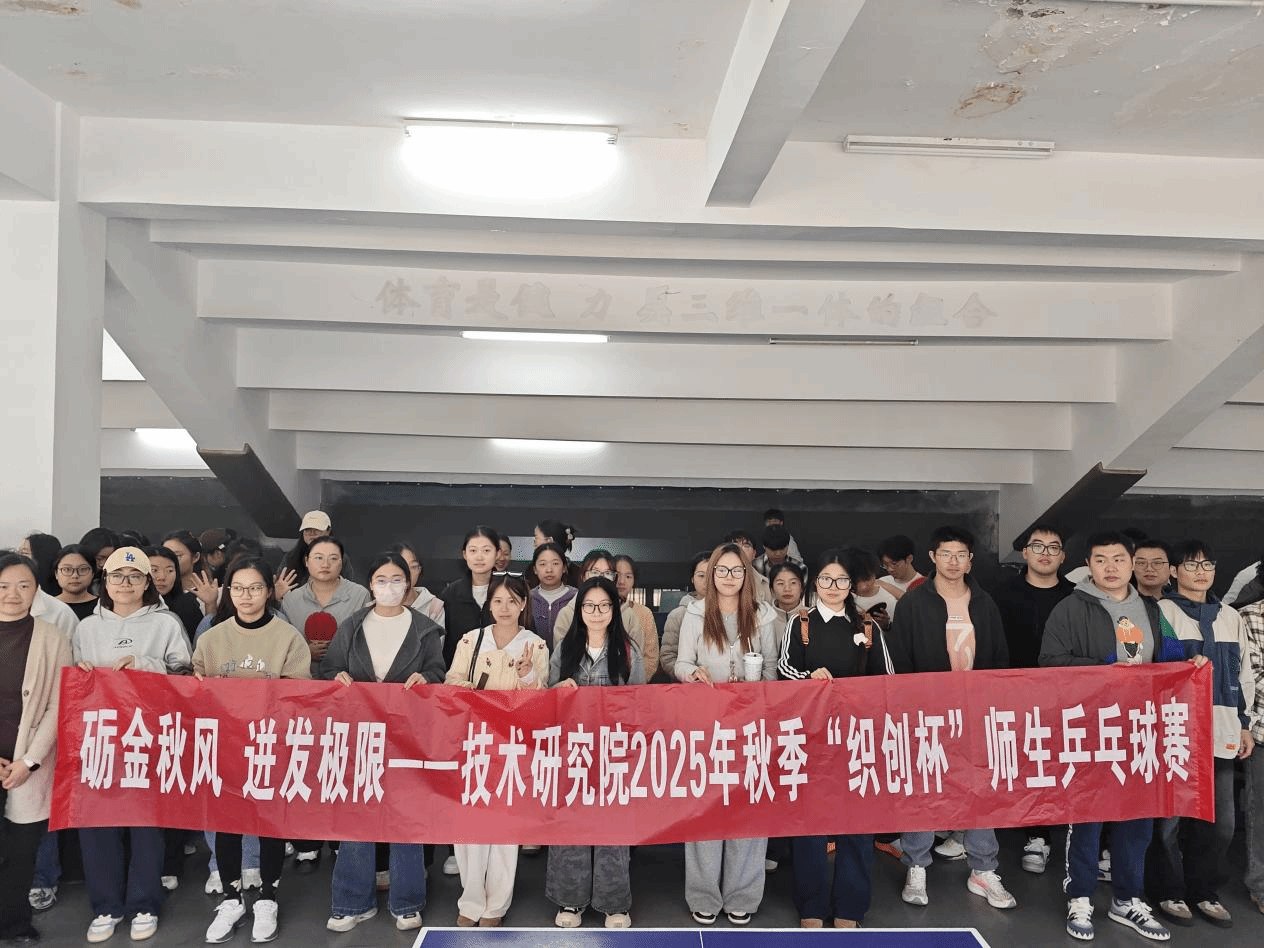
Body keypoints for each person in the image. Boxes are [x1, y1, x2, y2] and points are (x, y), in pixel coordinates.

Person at [1040, 530, 1189, 943]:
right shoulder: (1069, 608)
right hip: (1089, 727)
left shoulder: (1153, 610)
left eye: (1119, 559)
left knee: (1137, 819)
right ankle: (1080, 897)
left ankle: (1127, 899)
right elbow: (1049, 664)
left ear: (1132, 563)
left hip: (1141, 728)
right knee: (1087, 819)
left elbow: (1171, 657)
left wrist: (1189, 663)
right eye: (1101, 559)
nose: (1111, 567)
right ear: (1088, 565)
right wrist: (1103, 668)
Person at [885, 526, 1015, 912]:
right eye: (946, 554)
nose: (954, 561)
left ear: (970, 560)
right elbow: (900, 660)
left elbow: (999, 657)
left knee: (980, 789)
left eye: (961, 555)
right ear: (932, 557)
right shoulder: (914, 603)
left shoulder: (985, 603)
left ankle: (983, 869)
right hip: (927, 713)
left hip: (976, 712)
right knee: (924, 788)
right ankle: (917, 865)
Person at [319, 551, 445, 933]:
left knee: (406, 818)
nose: (389, 587)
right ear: (370, 585)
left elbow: (438, 671)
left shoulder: (424, 629)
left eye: (396, 579)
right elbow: (329, 668)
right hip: (360, 735)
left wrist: (426, 679)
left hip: (409, 737)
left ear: (408, 584)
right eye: (381, 580)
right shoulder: (353, 625)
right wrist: (336, 676)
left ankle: (407, 902)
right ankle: (351, 902)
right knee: (357, 817)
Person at [72, 548, 191, 944]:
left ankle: (144, 903)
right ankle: (106, 906)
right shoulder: (87, 627)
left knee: (146, 825)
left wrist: (146, 664)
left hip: (148, 736)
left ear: (147, 583)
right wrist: (80, 674)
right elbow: (71, 685)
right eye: (116, 576)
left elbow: (186, 676)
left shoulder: (166, 623)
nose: (125, 584)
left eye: (134, 576)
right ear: (104, 583)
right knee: (98, 824)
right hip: (100, 738)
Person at [193, 557, 311, 945]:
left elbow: (297, 695)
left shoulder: (288, 637)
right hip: (225, 746)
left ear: (269, 591)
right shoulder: (211, 638)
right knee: (227, 825)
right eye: (238, 588)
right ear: (228, 591)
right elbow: (195, 691)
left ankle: (267, 898)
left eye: (255, 588)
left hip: (269, 745)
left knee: (269, 824)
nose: (246, 596)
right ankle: (231, 899)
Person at [778, 549, 894, 927]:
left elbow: (887, 681)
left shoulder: (867, 627)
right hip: (810, 738)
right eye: (826, 579)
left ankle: (850, 907)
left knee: (856, 825)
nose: (833, 586)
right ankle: (811, 906)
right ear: (816, 583)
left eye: (841, 580)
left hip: (857, 739)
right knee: (810, 825)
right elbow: (784, 670)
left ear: (851, 585)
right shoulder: (800, 623)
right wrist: (809, 679)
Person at [1149, 541, 1255, 929]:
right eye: (1192, 565)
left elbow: (1244, 674)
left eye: (1207, 565)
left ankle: (1204, 890)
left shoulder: (1230, 616)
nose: (1201, 572)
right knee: (1170, 821)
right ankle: (1168, 890)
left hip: (1222, 729)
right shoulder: (1162, 612)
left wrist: (1245, 724)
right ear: (1174, 572)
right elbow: (1154, 665)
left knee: (1221, 823)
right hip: (1176, 731)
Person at [674, 543, 778, 926]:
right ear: (712, 573)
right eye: (722, 570)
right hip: (707, 726)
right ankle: (703, 894)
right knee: (705, 810)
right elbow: (682, 662)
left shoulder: (764, 615)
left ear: (747, 575)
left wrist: (757, 692)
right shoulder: (695, 612)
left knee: (748, 811)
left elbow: (772, 670)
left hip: (751, 726)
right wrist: (691, 673)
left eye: (737, 570)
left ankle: (742, 895)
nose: (729, 577)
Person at [445, 573, 548, 926]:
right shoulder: (471, 640)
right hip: (474, 741)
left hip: (513, 745)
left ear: (524, 605)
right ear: (488, 604)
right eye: (498, 601)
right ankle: (471, 900)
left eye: (513, 601)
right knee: (468, 823)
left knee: (504, 826)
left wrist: (527, 676)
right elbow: (451, 682)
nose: (505, 608)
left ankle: (496, 905)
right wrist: (474, 692)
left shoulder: (535, 645)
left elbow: (542, 699)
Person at [547, 577, 643, 929]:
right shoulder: (565, 648)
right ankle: (570, 900)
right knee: (570, 826)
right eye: (589, 605)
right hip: (572, 751)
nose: (597, 612)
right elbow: (547, 697)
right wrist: (558, 689)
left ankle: (614, 903)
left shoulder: (628, 651)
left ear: (614, 610)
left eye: (604, 605)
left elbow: (641, 704)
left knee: (612, 830)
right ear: (579, 610)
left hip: (615, 753)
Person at [991, 523, 1074, 874]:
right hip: (1013, 695)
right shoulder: (1001, 595)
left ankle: (1050, 836)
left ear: (1063, 556)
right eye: (1037, 546)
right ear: (1024, 553)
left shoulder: (1076, 597)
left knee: (1056, 765)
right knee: (1021, 764)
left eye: (1053, 547)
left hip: (1065, 697)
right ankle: (1028, 834)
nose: (1045, 553)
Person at [0, 551, 73, 948]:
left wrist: (28, 761)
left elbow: (57, 706)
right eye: (3, 586)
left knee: (21, 851)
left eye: (23, 585)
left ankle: (14, 924)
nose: (13, 594)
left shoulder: (52, 637)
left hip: (28, 763)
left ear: (36, 590)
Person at [551, 551, 649, 663]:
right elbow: (561, 659)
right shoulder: (567, 613)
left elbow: (635, 660)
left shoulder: (628, 615)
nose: (601, 578)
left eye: (608, 573)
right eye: (594, 572)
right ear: (583, 576)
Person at [1238, 565, 1264, 917]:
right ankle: (1260, 884)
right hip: (1262, 730)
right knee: (1261, 814)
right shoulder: (1249, 616)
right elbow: (1253, 679)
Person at [441, 526, 501, 667]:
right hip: (460, 672)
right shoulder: (451, 594)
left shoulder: (510, 591)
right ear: (464, 554)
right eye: (473, 551)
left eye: (486, 551)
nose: (479, 557)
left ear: (498, 553)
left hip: (501, 672)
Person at [660, 552, 709, 679]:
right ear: (692, 579)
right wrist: (691, 675)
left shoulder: (729, 612)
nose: (707, 581)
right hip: (688, 685)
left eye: (711, 574)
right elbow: (668, 657)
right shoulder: (678, 615)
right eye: (701, 575)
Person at [613, 555, 659, 682]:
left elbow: (651, 657)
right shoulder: (598, 610)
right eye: (617, 575)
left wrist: (637, 681)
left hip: (636, 686)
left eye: (628, 576)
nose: (621, 581)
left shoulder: (644, 613)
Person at [147, 546, 203, 642]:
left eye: (170, 571)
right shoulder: (127, 605)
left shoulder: (186, 605)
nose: (162, 577)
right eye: (154, 570)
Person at [527, 542, 575, 649]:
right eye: (543, 564)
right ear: (535, 569)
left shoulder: (576, 597)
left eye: (555, 563)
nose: (549, 570)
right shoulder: (527, 599)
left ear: (564, 567)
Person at [390, 541, 446, 627]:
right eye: (401, 566)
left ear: (419, 570)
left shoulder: (434, 607)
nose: (408, 573)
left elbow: (437, 636)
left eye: (413, 566)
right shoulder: (376, 606)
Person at [849, 549, 902, 631]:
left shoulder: (881, 584)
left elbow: (909, 600)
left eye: (868, 578)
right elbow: (867, 637)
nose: (865, 585)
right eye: (860, 581)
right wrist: (879, 626)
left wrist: (887, 625)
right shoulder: (849, 601)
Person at [50, 544, 99, 621]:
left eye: (82, 569)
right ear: (56, 573)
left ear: (93, 573)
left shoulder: (103, 607)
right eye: (67, 569)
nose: (75, 575)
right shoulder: (47, 607)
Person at [723, 532, 772, 604]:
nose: (740, 549)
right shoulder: (716, 577)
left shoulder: (765, 583)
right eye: (735, 545)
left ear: (754, 554)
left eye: (746, 546)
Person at [161, 530, 205, 594]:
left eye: (177, 556)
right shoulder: (157, 594)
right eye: (165, 556)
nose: (169, 561)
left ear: (195, 557)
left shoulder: (211, 593)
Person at [768, 561, 807, 628]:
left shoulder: (813, 617)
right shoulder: (764, 619)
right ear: (772, 590)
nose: (787, 589)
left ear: (801, 588)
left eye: (793, 583)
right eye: (780, 583)